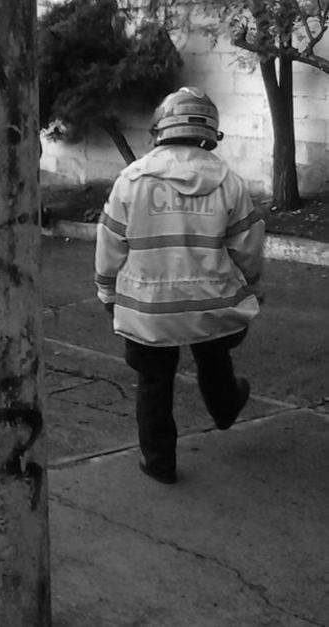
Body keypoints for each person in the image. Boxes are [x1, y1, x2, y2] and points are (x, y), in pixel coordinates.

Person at [94, 86, 265, 485]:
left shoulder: (132, 179)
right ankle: (225, 408)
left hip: (149, 308)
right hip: (212, 303)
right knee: (214, 358)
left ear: (160, 129)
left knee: (153, 381)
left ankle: (159, 462)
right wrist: (254, 287)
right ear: (210, 131)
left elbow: (110, 245)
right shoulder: (230, 182)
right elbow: (248, 248)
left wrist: (106, 291)